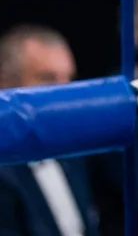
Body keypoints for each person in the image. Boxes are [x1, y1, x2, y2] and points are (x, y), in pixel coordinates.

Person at [0, 25, 103, 235]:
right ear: (5, 84)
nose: (65, 96)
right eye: (48, 79)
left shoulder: (75, 152)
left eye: (69, 80)